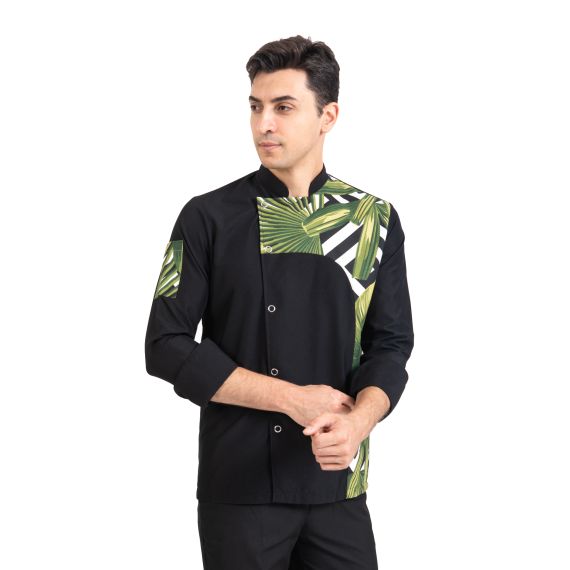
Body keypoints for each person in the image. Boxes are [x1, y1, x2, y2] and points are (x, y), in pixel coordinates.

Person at [144, 34, 414, 570]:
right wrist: (291, 399)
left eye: (283, 107)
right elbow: (165, 346)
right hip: (240, 485)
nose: (264, 124)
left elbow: (391, 344)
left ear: (327, 116)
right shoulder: (206, 217)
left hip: (338, 482)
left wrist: (358, 423)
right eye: (256, 107)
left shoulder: (373, 219)